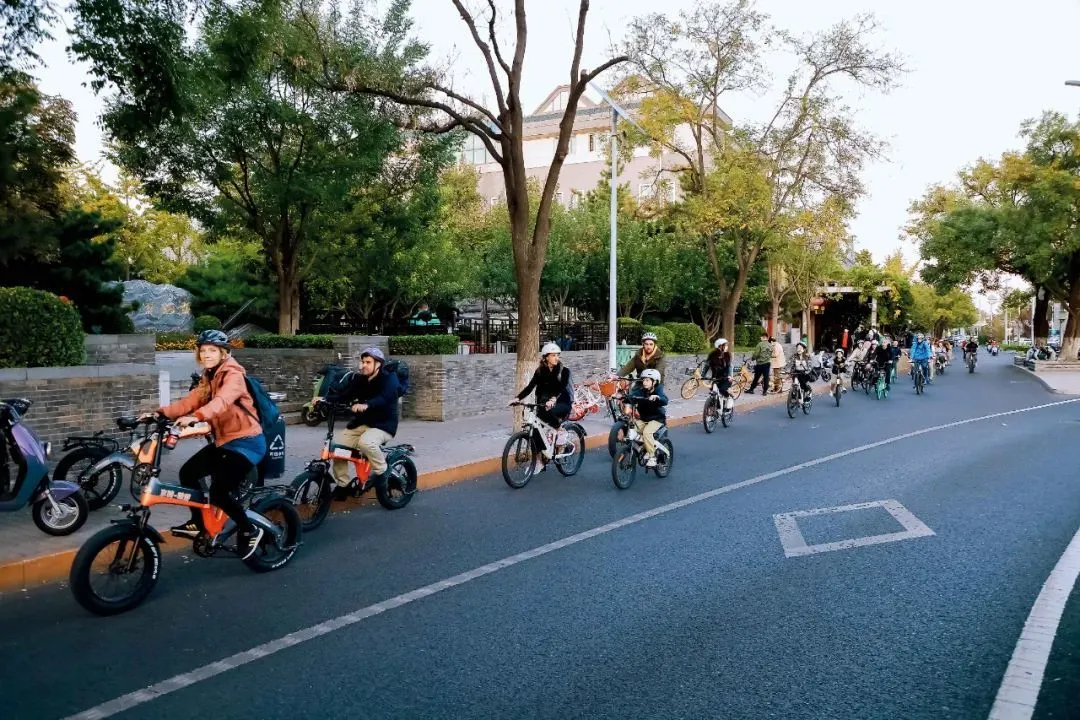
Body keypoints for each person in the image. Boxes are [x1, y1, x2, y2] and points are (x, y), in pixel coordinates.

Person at [154, 330, 267, 559]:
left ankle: (249, 529)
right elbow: (190, 401)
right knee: (188, 473)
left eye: (212, 350)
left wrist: (197, 416)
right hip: (225, 442)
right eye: (203, 350)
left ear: (223, 353)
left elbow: (222, 402)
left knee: (218, 491)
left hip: (247, 443)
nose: (206, 354)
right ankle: (198, 523)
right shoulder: (209, 376)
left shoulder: (233, 375)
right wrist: (158, 413)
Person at [324, 347, 401, 500]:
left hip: (383, 425)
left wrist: (368, 404)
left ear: (378, 364)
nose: (363, 365)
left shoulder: (389, 378)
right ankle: (343, 485)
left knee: (366, 443)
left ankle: (384, 473)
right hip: (361, 424)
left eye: (368, 362)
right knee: (336, 448)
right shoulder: (360, 379)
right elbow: (345, 395)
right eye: (362, 362)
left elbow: (386, 397)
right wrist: (324, 400)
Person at [511, 343, 573, 472]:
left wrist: (553, 399)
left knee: (548, 413)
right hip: (544, 403)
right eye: (553, 355)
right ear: (545, 357)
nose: (556, 358)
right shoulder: (540, 372)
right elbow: (530, 386)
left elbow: (562, 387)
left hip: (562, 402)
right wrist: (518, 398)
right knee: (534, 431)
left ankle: (560, 431)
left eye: (557, 355)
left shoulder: (564, 371)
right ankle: (540, 461)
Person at [627, 369, 668, 467]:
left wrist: (657, 397)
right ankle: (645, 447)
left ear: (654, 382)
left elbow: (665, 400)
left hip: (657, 419)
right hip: (644, 418)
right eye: (643, 380)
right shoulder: (640, 390)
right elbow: (630, 396)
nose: (644, 382)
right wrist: (621, 396)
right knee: (631, 430)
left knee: (646, 432)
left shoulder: (658, 389)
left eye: (647, 380)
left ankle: (652, 456)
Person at [706, 338, 734, 411]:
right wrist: (702, 376)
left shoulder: (727, 355)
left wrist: (730, 376)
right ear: (720, 346)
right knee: (714, 393)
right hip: (715, 378)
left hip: (725, 378)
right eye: (725, 345)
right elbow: (706, 366)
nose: (727, 347)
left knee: (722, 389)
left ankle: (729, 398)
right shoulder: (712, 355)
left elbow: (729, 367)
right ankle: (714, 411)